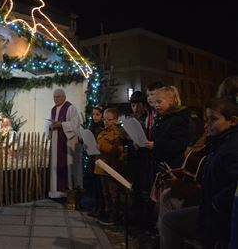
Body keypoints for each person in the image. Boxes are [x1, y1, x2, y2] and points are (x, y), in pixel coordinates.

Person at [160, 97, 238, 249]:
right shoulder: (219, 143)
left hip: (219, 217)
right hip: (210, 209)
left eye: (213, 120)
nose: (206, 125)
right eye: (206, 119)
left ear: (233, 121)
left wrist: (216, 203)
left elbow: (232, 186)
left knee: (169, 221)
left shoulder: (232, 147)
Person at [47, 88, 82, 199]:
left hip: (67, 144)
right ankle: (56, 193)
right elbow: (47, 124)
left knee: (66, 167)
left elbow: (75, 124)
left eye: (58, 97)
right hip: (55, 143)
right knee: (56, 166)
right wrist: (50, 127)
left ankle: (68, 193)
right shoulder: (52, 110)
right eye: (54, 97)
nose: (55, 99)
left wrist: (61, 124)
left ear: (64, 97)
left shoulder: (70, 108)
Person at [94, 108, 125, 225]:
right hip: (102, 166)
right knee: (105, 192)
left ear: (116, 120)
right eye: (105, 119)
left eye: (109, 119)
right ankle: (107, 213)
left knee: (113, 192)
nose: (106, 121)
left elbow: (118, 150)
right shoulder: (103, 132)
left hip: (112, 166)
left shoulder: (118, 134)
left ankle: (114, 216)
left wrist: (102, 147)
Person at [128, 91, 154, 228]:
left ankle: (146, 221)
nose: (135, 109)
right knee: (135, 189)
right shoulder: (131, 118)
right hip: (134, 158)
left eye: (138, 105)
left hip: (145, 159)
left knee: (145, 190)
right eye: (133, 105)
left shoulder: (149, 119)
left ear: (144, 105)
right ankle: (135, 217)